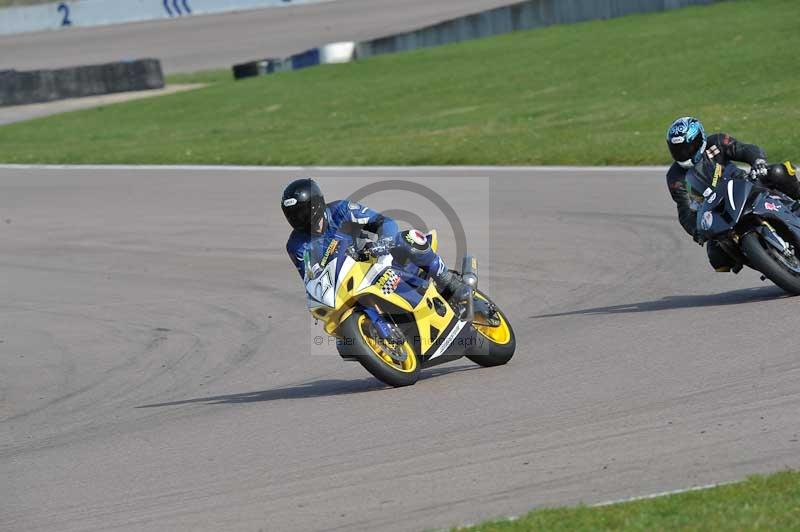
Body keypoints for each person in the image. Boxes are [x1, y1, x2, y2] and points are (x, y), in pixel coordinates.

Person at [281, 178, 465, 299]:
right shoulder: (296, 245)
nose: (297, 218)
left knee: (409, 238)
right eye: (292, 214)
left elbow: (383, 221)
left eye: (301, 212)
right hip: (348, 284)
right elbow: (311, 280)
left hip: (376, 258)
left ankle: (448, 280)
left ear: (316, 205)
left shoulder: (341, 210)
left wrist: (384, 242)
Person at [665, 116, 800, 271]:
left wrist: (757, 161)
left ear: (700, 139)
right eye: (677, 150)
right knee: (717, 256)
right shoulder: (674, 177)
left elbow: (743, 149)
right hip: (717, 210)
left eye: (688, 147)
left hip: (746, 185)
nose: (683, 153)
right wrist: (696, 231)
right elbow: (684, 209)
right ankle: (768, 263)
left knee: (777, 172)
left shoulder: (716, 142)